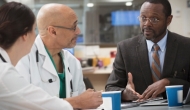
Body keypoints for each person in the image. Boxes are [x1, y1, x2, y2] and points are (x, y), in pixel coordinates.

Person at [15, 3, 102, 109]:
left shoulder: (72, 62)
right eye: (73, 27)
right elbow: (20, 104)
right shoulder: (22, 58)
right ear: (53, 31)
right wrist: (76, 102)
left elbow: (83, 104)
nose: (78, 31)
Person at [105, 0, 190, 101]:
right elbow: (110, 88)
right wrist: (124, 94)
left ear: (168, 20)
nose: (147, 24)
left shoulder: (186, 46)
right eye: (143, 18)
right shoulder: (125, 48)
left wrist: (169, 82)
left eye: (154, 19)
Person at [0, 2, 73, 109]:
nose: (36, 36)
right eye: (34, 30)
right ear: (25, 34)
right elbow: (60, 108)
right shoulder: (3, 73)